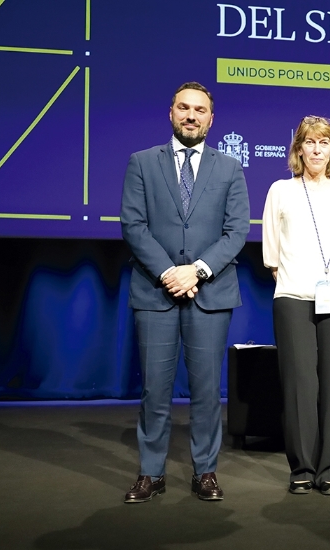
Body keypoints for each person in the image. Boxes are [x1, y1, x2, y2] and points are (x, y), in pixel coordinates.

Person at [120, 82, 250, 503]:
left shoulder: (230, 167)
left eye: (200, 110)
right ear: (171, 113)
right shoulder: (142, 162)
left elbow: (237, 231)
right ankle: (151, 473)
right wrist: (168, 273)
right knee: (154, 390)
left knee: (207, 391)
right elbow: (133, 225)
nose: (191, 115)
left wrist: (196, 270)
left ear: (211, 119)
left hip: (210, 293)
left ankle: (205, 472)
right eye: (184, 108)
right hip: (154, 292)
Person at [262, 116, 330, 496]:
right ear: (299, 149)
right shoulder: (280, 190)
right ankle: (302, 467)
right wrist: (298, 281)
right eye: (310, 142)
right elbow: (272, 255)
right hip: (292, 296)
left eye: (324, 142)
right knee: (299, 385)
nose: (317, 149)